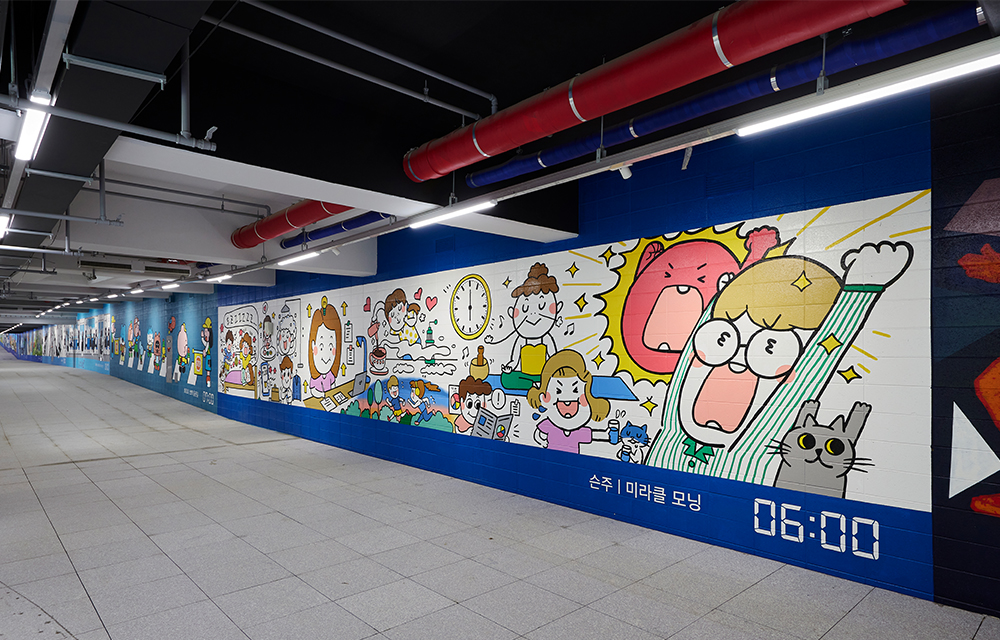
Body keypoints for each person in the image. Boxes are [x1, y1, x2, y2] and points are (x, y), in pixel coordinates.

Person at [527, 349, 611, 454]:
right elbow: (537, 434)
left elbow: (596, 435)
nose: (567, 402)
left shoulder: (579, 431)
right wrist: (542, 443)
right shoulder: (549, 425)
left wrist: (608, 434)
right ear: (545, 397)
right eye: (558, 390)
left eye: (576, 390)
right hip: (551, 459)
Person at [498, 263, 562, 391]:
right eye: (525, 308)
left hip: (542, 375)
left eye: (541, 306)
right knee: (506, 378)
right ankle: (534, 385)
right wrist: (509, 367)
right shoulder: (521, 340)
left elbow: (553, 359)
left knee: (554, 377)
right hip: (525, 376)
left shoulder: (546, 339)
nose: (533, 314)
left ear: (557, 308)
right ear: (513, 312)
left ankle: (538, 384)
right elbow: (514, 361)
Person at [308, 298, 341, 398]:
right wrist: (323, 395)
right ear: (314, 347)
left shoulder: (330, 375)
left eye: (331, 348)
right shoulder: (315, 378)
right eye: (321, 347)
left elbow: (333, 385)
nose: (326, 356)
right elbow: (313, 391)